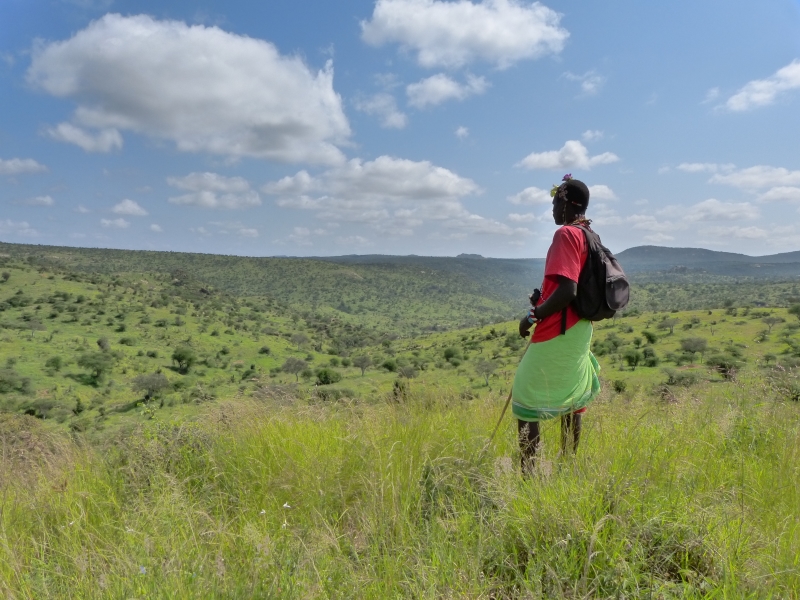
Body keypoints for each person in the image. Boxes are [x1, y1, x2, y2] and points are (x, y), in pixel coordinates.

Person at [512, 175, 601, 473]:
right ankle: (567, 467)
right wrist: (543, 298)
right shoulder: (589, 235)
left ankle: (529, 477)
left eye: (554, 203)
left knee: (525, 397)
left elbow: (567, 290)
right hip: (581, 329)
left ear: (566, 203)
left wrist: (532, 316)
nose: (551, 210)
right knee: (571, 397)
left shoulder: (565, 234)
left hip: (557, 331)